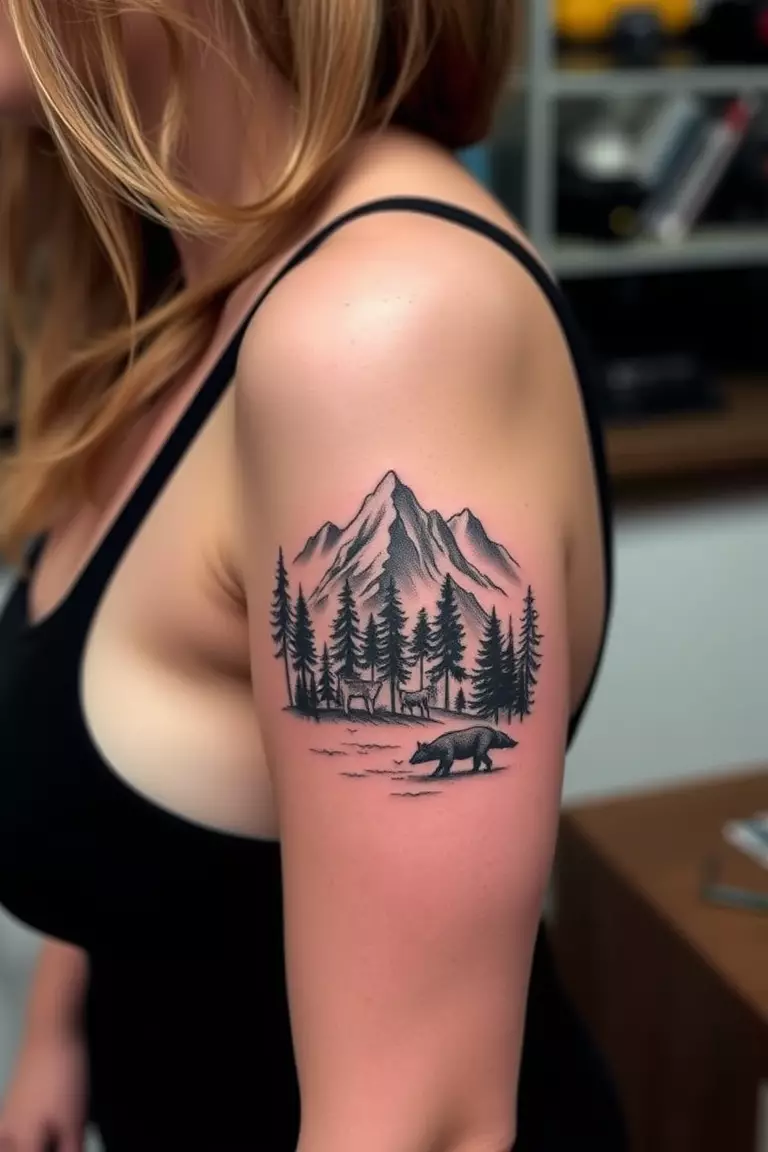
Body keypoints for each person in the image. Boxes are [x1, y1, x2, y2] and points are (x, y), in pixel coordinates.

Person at [0, 2, 625, 1149]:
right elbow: (148, 757)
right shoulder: (186, 281)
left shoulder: (383, 333)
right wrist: (63, 1015)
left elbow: (425, 1128)